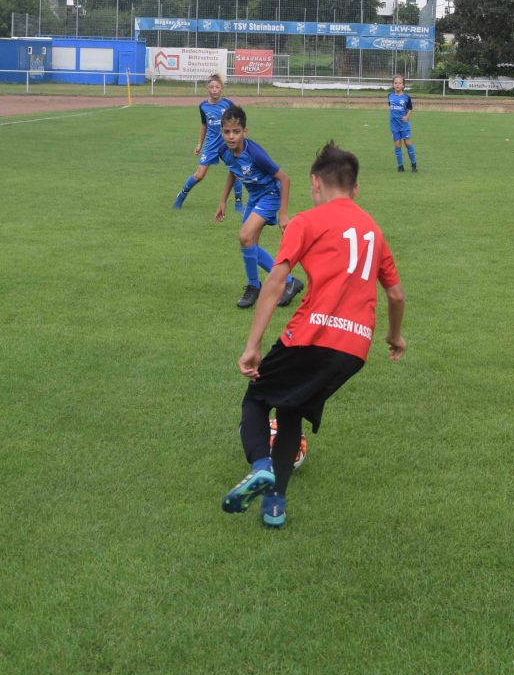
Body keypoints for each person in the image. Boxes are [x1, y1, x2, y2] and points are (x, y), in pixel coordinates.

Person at [224, 142, 405, 529]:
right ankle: (274, 507)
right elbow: (395, 294)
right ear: (355, 189)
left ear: (315, 183)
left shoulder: (307, 221)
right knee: (291, 410)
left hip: (311, 335)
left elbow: (276, 281)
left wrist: (253, 345)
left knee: (256, 399)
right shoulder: (373, 231)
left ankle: (261, 465)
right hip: (354, 350)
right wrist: (395, 337)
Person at [213, 106, 306, 309]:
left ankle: (254, 286)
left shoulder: (255, 153)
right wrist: (223, 201)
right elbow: (233, 170)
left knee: (244, 236)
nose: (231, 136)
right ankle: (289, 282)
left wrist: (283, 214)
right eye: (227, 132)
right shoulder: (223, 151)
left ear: (244, 132)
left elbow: (285, 179)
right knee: (249, 244)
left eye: (236, 131)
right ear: (221, 132)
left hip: (271, 195)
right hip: (255, 197)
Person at [173, 75, 246, 210]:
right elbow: (204, 125)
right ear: (207, 89)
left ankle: (238, 204)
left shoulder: (228, 104)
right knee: (199, 175)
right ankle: (181, 196)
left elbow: (238, 122)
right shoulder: (203, 106)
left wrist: (238, 140)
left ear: (222, 89)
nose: (214, 90)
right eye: (211, 87)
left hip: (227, 145)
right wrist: (199, 144)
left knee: (235, 172)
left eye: (217, 87)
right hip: (211, 145)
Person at [388, 75, 418, 172]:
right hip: (394, 125)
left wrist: (406, 117)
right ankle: (400, 166)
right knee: (397, 144)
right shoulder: (390, 96)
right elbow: (391, 107)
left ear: (403, 85)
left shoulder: (406, 97)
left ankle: (414, 165)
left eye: (400, 83)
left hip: (404, 125)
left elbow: (410, 109)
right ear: (393, 85)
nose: (397, 85)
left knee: (407, 143)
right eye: (396, 83)